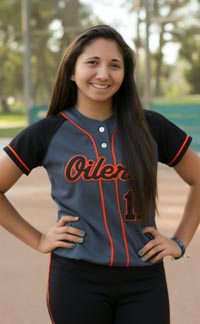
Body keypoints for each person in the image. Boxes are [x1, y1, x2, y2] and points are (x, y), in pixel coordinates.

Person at [0, 25, 200, 324]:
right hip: (76, 278)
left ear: (124, 74)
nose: (103, 74)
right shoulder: (48, 132)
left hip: (143, 278)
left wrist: (180, 241)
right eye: (92, 62)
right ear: (71, 71)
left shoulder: (151, 127)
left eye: (114, 65)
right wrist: (40, 239)